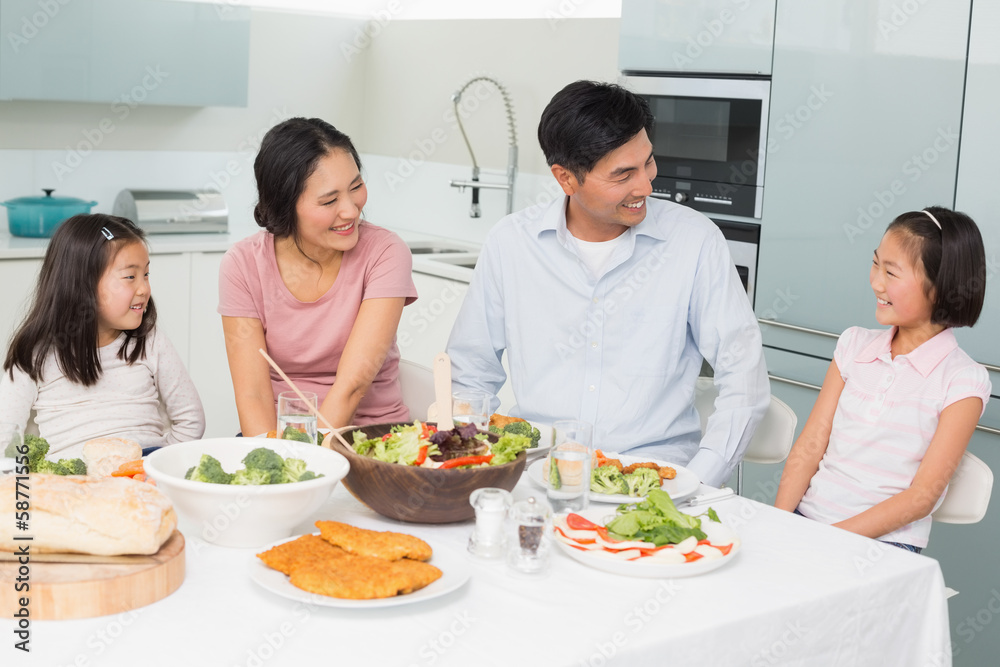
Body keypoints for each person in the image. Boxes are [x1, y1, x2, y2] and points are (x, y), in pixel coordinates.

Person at [446, 80, 769, 487]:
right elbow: (470, 372)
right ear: (566, 178)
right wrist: (472, 463)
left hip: (656, 477)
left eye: (648, 162)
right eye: (623, 175)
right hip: (538, 473)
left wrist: (697, 481)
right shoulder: (511, 243)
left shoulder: (694, 241)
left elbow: (744, 377)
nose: (647, 186)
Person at [775, 207, 990, 553]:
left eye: (891, 272)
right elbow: (811, 445)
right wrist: (781, 525)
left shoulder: (963, 380)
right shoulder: (853, 345)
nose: (876, 281)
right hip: (807, 523)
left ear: (940, 288)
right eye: (876, 264)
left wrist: (826, 541)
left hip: (885, 544)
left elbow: (923, 497)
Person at [219, 117, 417, 437]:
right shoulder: (243, 264)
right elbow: (252, 396)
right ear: (285, 206)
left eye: (356, 187)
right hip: (278, 436)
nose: (351, 210)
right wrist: (277, 459)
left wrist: (308, 463)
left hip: (371, 437)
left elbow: (352, 386)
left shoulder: (386, 252)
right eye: (329, 201)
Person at [0, 214, 206, 456]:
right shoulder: (34, 355)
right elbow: (6, 438)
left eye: (146, 275)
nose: (144, 288)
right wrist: (28, 487)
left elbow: (191, 420)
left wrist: (160, 463)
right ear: (82, 285)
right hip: (71, 482)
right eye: (130, 277)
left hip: (142, 472)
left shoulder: (150, 340)